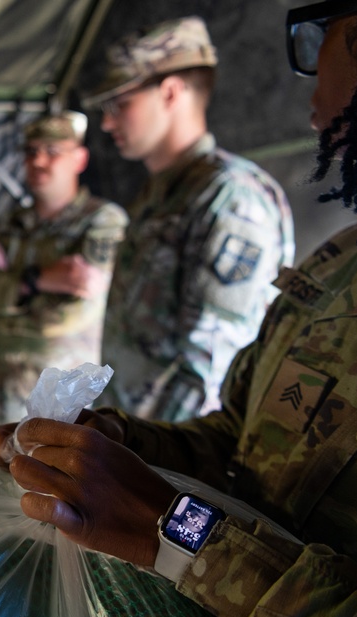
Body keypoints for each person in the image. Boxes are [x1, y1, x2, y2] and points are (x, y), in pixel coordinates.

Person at [0, 0, 357, 617]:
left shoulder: (228, 199)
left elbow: (195, 374)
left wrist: (168, 523)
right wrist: (117, 444)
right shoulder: (350, 260)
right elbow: (239, 441)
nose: (312, 75)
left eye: (330, 33)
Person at [82, 16, 295, 421]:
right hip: (134, 437)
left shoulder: (230, 197)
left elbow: (209, 369)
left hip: (172, 456)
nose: (107, 123)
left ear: (171, 92)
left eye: (119, 105)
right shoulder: (158, 194)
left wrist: (152, 465)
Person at [0, 113, 128, 432]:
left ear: (79, 159)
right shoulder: (8, 224)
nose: (38, 160)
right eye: (31, 151)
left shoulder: (103, 222)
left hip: (64, 404)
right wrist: (40, 279)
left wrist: (7, 284)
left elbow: (71, 314)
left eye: (52, 151)